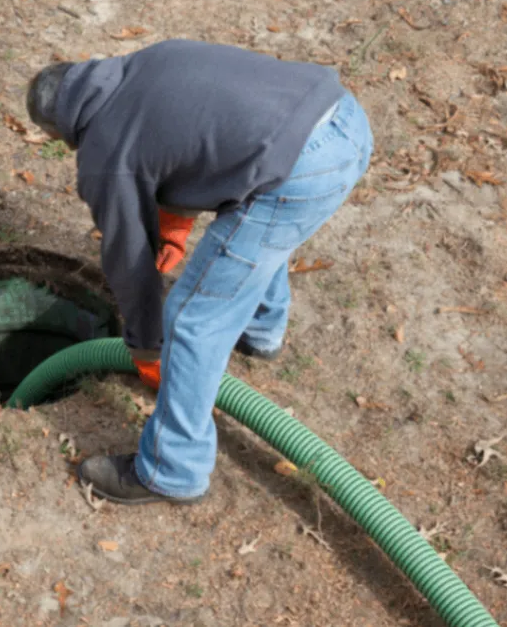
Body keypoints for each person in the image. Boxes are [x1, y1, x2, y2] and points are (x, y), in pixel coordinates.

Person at [25, 40, 373, 505]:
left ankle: (172, 470)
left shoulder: (102, 151)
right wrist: (173, 226)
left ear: (58, 130)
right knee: (260, 236)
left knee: (193, 321)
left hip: (300, 169)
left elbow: (128, 259)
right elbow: (196, 136)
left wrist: (148, 345)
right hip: (343, 119)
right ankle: (260, 332)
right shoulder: (146, 62)